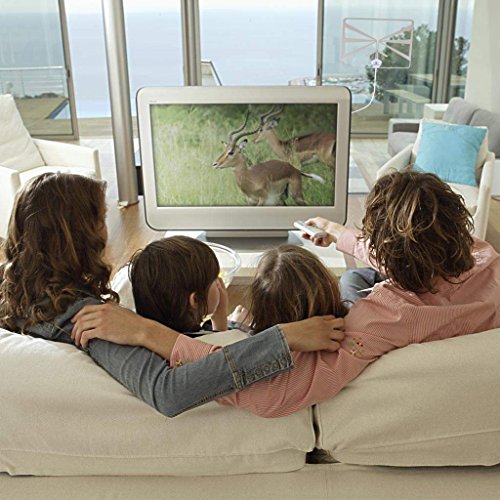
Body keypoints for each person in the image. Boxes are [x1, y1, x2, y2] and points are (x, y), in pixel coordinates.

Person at [72, 170, 500, 418]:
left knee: (352, 285)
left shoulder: (381, 318)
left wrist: (147, 332)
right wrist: (341, 236)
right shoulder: (483, 256)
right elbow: (420, 264)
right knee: (354, 279)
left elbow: (271, 394)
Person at [0, 172, 345, 418]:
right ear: (77, 236)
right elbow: (169, 391)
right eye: (102, 220)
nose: (107, 231)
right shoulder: (87, 319)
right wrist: (284, 337)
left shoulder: (20, 292)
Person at [128, 236, 230, 335]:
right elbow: (222, 346)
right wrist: (221, 318)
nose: (219, 283)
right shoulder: (198, 343)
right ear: (196, 299)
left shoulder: (143, 334)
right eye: (215, 280)